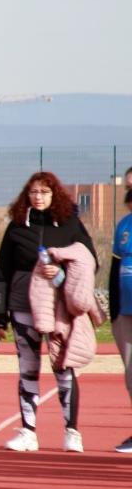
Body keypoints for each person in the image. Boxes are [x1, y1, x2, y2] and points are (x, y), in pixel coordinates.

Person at [0, 171, 96, 453]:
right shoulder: (16, 227)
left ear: (55, 195)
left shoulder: (70, 224)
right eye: (33, 192)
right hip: (22, 307)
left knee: (63, 367)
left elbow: (90, 262)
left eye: (44, 192)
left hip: (57, 309)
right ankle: (28, 432)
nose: (38, 197)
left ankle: (72, 431)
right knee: (27, 368)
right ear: (27, 195)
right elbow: (1, 272)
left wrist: (61, 272)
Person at [110, 168, 132, 453]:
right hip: (125, 312)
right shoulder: (124, 226)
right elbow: (115, 268)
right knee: (131, 374)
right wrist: (114, 310)